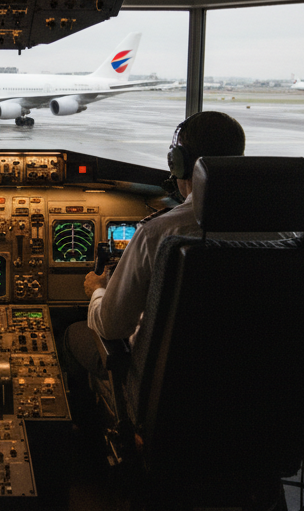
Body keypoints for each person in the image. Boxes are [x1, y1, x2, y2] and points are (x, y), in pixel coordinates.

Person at [63, 111, 250, 411]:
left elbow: (111, 327)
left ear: (179, 164)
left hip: (162, 396)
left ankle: (99, 439)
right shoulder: (285, 232)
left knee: (73, 334)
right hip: (250, 392)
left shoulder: (159, 232)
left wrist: (98, 290)